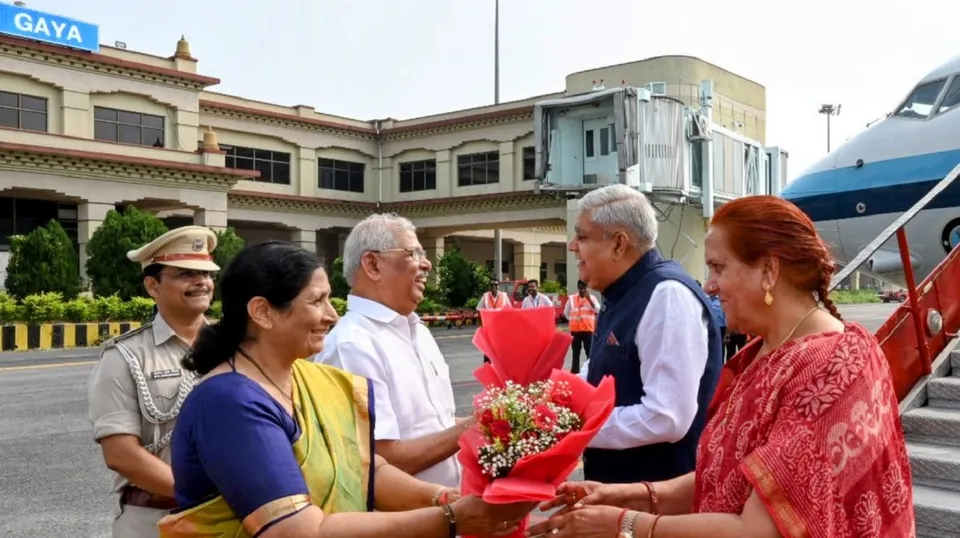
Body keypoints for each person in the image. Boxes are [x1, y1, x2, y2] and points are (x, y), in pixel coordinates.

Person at [530, 195, 915, 537]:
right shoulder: (764, 352)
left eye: (718, 267)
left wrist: (624, 524)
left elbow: (760, 528)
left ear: (769, 270)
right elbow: (733, 478)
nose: (708, 286)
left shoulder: (830, 365)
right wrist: (633, 496)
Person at [158, 241, 534, 538]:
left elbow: (368, 469)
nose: (332, 315)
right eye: (317, 300)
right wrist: (449, 519)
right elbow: (296, 531)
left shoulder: (311, 379)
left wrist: (445, 498)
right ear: (262, 312)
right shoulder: (230, 402)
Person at [568, 184, 724, 484]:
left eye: (583, 237)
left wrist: (574, 429)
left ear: (618, 244)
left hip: (655, 503)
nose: (573, 245)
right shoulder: (619, 294)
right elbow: (596, 375)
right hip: (619, 495)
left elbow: (666, 418)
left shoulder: (666, 296)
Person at [315, 214, 469, 489]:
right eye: (413, 253)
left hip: (450, 517)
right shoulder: (352, 346)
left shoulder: (416, 330)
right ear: (372, 264)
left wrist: (489, 423)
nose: (426, 263)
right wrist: (470, 429)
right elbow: (381, 460)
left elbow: (433, 425)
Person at [87, 225, 220, 537]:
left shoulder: (236, 347)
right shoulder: (124, 357)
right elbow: (121, 454)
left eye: (207, 273)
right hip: (154, 520)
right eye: (186, 273)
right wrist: (205, 496)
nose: (201, 281)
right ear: (152, 285)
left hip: (232, 516)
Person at [563, 280, 600, 374]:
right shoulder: (571, 299)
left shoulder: (592, 298)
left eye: (584, 288)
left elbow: (597, 310)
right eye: (581, 288)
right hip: (575, 331)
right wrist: (572, 320)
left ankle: (591, 371)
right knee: (575, 353)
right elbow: (566, 312)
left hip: (588, 330)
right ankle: (575, 372)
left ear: (587, 288)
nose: (583, 290)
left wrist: (589, 300)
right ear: (578, 288)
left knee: (589, 353)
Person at [477, 279, 512, 363]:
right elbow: (479, 310)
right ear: (489, 287)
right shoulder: (485, 296)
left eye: (495, 285)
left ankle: (501, 365)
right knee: (488, 348)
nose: (494, 286)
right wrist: (481, 325)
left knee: (501, 348)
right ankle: (488, 365)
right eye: (492, 285)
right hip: (489, 328)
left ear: (498, 286)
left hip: (501, 328)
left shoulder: (504, 296)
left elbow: (510, 310)